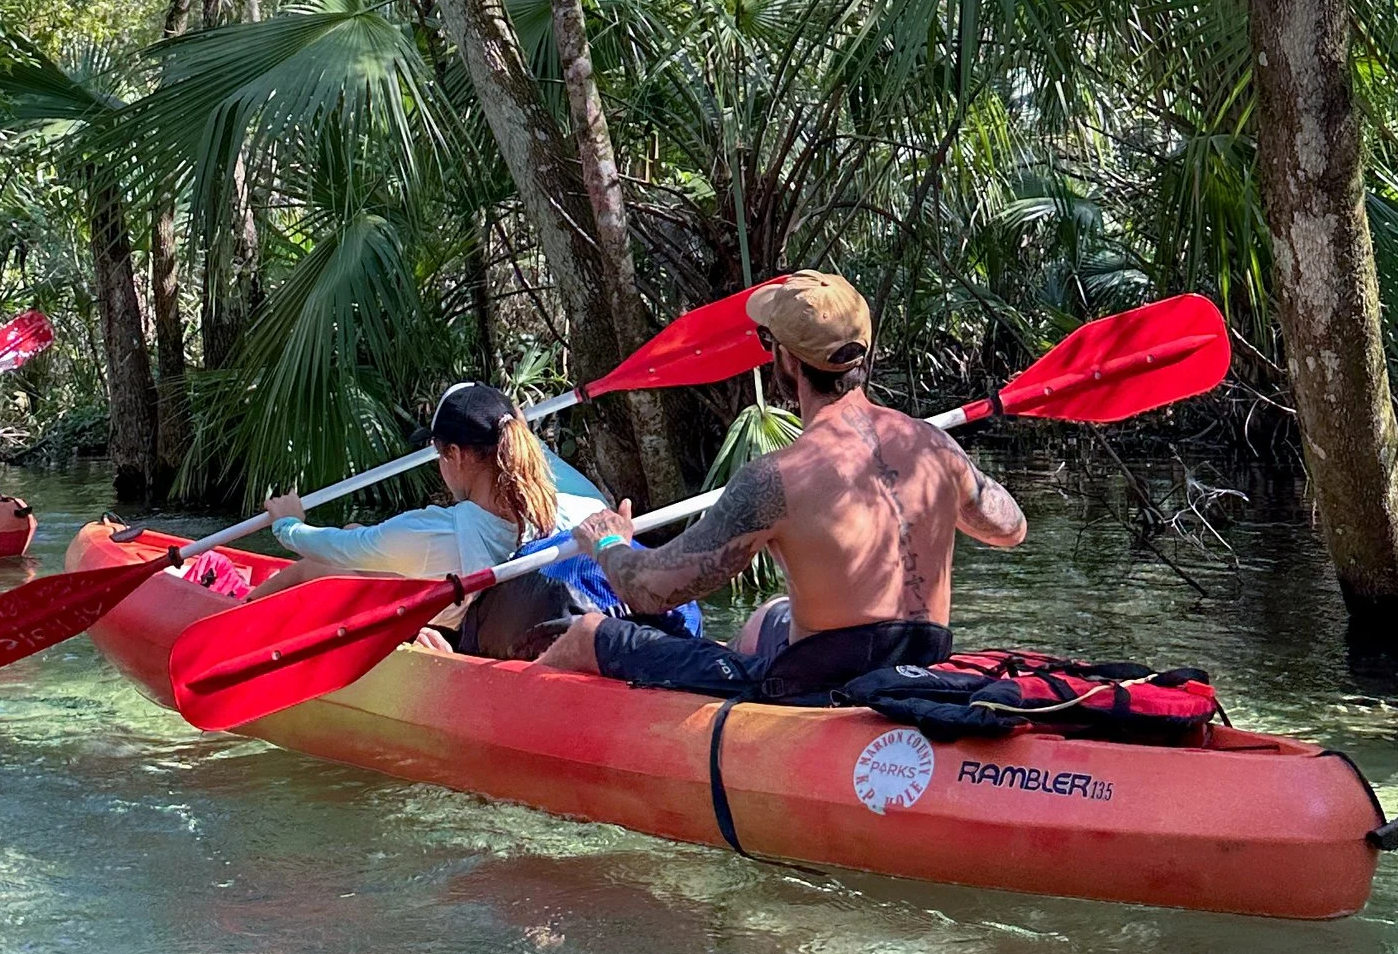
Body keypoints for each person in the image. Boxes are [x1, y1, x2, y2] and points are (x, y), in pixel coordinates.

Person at [536, 269, 1027, 702]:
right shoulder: (936, 448)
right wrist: (948, 487)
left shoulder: (776, 478)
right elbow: (1010, 528)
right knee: (768, 617)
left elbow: (650, 590)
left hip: (820, 687)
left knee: (591, 632)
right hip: (920, 664)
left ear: (787, 361)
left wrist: (607, 542)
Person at [258, 381, 613, 656]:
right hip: (531, 617)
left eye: (440, 454)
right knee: (357, 531)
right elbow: (541, 461)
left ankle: (238, 606)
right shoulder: (579, 506)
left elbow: (334, 548)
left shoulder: (435, 533)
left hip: (480, 634)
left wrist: (287, 524)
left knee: (317, 568)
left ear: (455, 454)